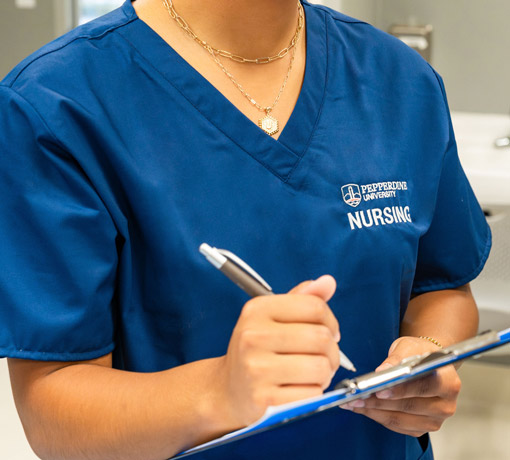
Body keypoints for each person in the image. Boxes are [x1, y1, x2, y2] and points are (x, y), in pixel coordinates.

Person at [0, 0, 490, 459]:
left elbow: (442, 286)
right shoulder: (56, 104)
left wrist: (428, 356)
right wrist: (219, 392)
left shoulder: (400, 80)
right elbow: (52, 412)